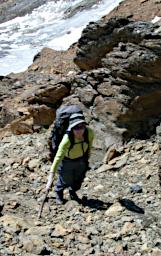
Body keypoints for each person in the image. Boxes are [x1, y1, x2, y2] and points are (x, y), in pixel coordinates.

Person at [46, 113, 94, 204]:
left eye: (82, 127)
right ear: (72, 128)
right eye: (76, 128)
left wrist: (87, 159)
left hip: (81, 160)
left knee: (79, 179)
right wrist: (51, 176)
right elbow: (58, 156)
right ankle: (58, 192)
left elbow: (89, 147)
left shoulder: (89, 133)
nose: (79, 130)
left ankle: (72, 192)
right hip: (67, 161)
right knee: (65, 180)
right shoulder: (67, 139)